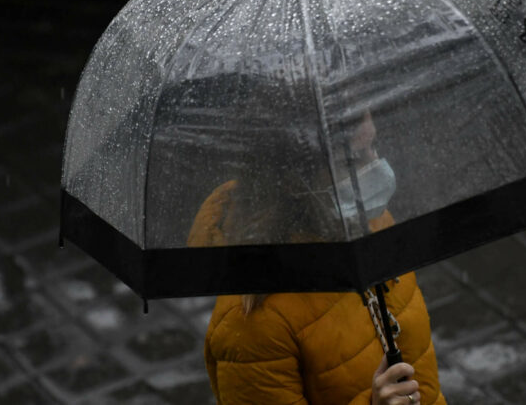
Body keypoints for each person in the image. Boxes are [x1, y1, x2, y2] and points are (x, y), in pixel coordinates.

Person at [187, 111, 446, 404]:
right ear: (294, 180)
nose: (375, 165)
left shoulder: (374, 221)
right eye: (352, 160)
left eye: (373, 146)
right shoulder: (252, 324)